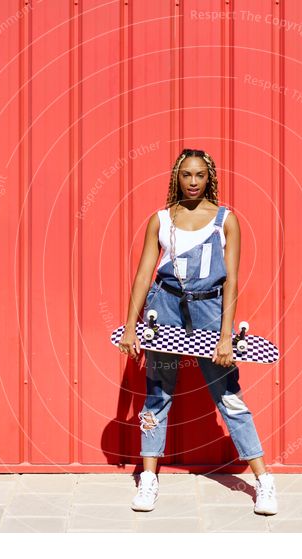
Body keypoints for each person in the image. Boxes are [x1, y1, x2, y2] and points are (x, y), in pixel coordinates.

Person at [118, 148, 278, 516]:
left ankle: (263, 480)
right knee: (157, 392)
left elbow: (232, 280)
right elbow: (145, 274)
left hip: (209, 308)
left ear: (210, 179)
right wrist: (132, 324)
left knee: (229, 396)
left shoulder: (226, 221)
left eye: (199, 175)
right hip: (166, 307)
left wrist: (225, 335)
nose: (193, 182)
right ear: (177, 177)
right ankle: (148, 478)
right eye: (186, 175)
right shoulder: (161, 220)